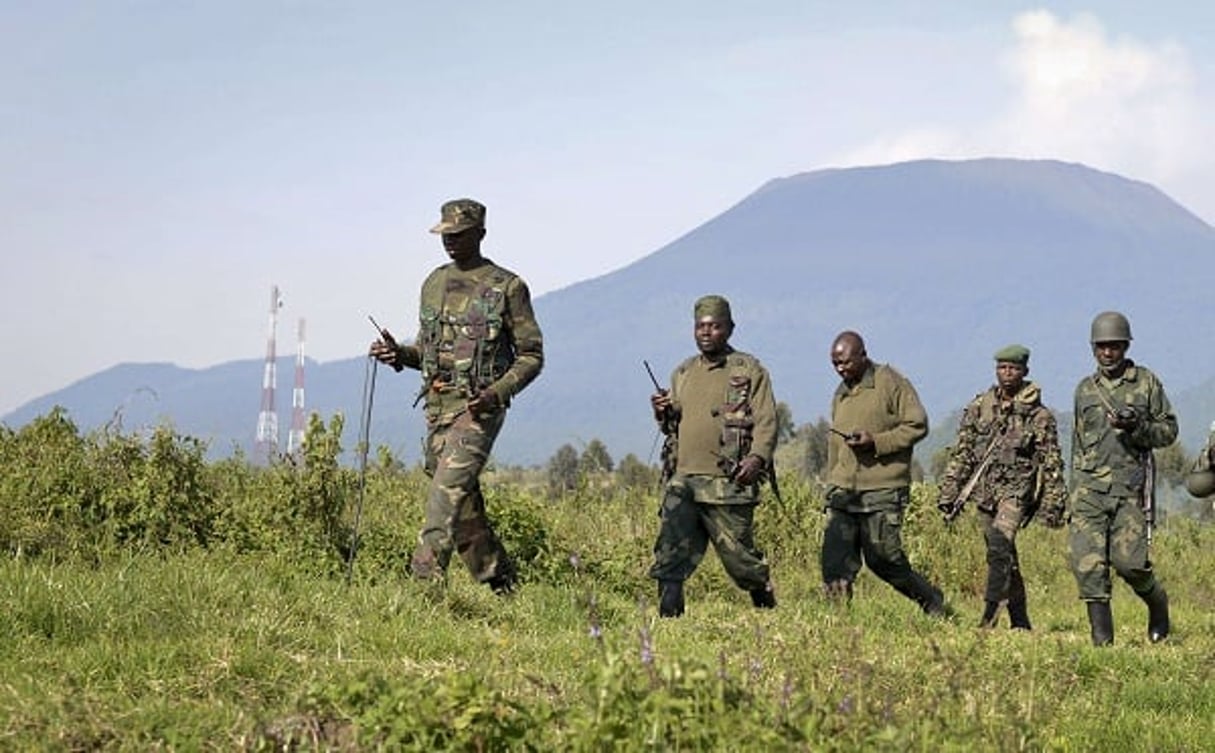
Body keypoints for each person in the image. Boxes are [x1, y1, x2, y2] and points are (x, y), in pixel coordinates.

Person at [370, 198, 543, 594]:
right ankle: (500, 582)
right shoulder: (433, 283)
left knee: (444, 494)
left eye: (459, 235)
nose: (450, 242)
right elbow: (429, 355)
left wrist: (496, 394)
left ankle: (423, 589)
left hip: (478, 410)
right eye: (445, 235)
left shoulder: (507, 287)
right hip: (437, 408)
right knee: (461, 500)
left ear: (480, 234)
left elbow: (532, 356)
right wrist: (399, 355)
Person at [648, 295, 778, 617]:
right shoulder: (683, 372)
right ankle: (669, 622)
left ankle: (767, 608)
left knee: (741, 560)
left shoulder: (749, 370)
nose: (706, 333)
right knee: (670, 554)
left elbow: (767, 421)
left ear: (730, 328)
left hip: (728, 482)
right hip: (684, 480)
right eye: (700, 326)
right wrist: (661, 412)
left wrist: (757, 458)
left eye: (714, 326)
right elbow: (672, 428)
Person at [936, 344, 1067, 630]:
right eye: (1003, 368)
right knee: (1004, 554)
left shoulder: (1038, 416)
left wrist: (1053, 505)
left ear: (1025, 372)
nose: (1008, 373)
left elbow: (1052, 463)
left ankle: (989, 618)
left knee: (999, 547)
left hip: (1017, 493)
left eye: (1014, 369)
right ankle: (1020, 621)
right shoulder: (980, 407)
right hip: (984, 493)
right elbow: (963, 452)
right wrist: (950, 490)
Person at [822, 331, 947, 616]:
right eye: (835, 364)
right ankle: (839, 626)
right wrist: (831, 484)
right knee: (835, 563)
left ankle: (930, 600)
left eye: (845, 362)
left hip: (882, 489)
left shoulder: (890, 382)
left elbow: (917, 425)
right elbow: (834, 444)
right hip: (844, 491)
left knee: (884, 560)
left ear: (863, 355)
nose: (840, 369)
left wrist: (876, 441)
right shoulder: (841, 392)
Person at [1069, 311, 1176, 645]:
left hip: (1129, 489)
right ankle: (1103, 644)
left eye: (1114, 346)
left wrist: (1138, 427)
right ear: (1093, 349)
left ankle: (1158, 603)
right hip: (1088, 491)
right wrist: (1070, 493)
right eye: (1101, 347)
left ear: (1125, 345)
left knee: (1130, 564)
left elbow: (1169, 431)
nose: (1107, 353)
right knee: (1088, 566)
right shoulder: (1085, 389)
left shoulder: (1146, 382)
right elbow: (1076, 444)